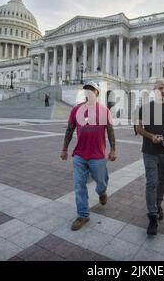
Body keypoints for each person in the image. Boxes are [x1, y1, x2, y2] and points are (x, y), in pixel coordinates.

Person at [60, 81, 117, 231]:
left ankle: (102, 192)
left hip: (97, 155)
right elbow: (69, 129)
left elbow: (110, 131)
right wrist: (64, 149)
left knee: (101, 182)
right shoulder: (76, 110)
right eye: (86, 89)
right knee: (79, 185)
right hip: (79, 154)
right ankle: (83, 215)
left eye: (91, 89)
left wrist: (113, 150)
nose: (88, 92)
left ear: (97, 93)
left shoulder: (104, 111)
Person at [135, 80, 164, 235]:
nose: (162, 90)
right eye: (160, 88)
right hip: (149, 151)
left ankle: (158, 204)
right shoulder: (145, 108)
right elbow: (139, 128)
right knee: (152, 181)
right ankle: (152, 215)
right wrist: (151, 136)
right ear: (154, 90)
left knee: (162, 180)